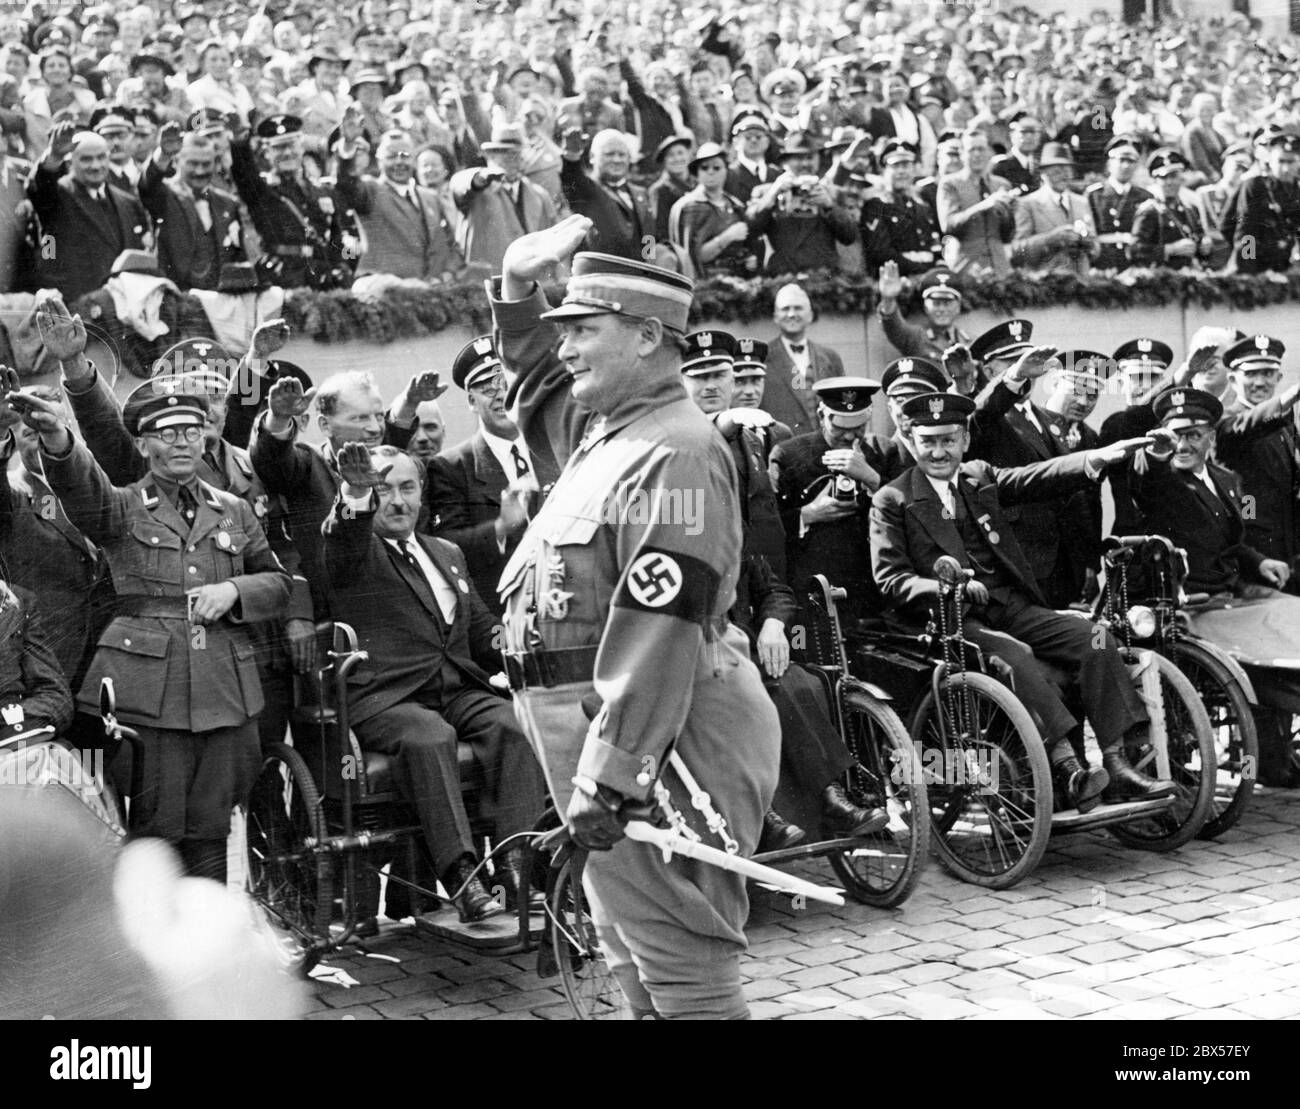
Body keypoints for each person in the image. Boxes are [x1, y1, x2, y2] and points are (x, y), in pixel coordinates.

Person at [491, 218, 780, 1020]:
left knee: (685, 970)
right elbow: (538, 390)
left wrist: (613, 775)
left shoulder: (676, 450)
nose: (568, 348)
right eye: (564, 331)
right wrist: (516, 286)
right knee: (633, 958)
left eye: (585, 329)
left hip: (662, 742)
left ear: (649, 335)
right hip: (602, 735)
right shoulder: (608, 430)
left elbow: (663, 624)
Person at [15, 374, 291, 883]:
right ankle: (154, 949)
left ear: (205, 437)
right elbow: (81, 486)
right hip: (146, 696)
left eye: (191, 430)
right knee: (154, 828)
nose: (181, 441)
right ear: (142, 445)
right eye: (166, 433)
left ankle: (206, 943)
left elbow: (278, 581)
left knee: (211, 825)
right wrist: (58, 438)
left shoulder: (233, 512)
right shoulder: (120, 507)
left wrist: (235, 593)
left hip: (224, 690)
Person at [869, 390, 1172, 811]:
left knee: (1095, 636)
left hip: (1011, 605)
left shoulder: (979, 477)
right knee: (1016, 654)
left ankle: (1117, 763)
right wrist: (946, 588)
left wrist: (1099, 457)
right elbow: (891, 579)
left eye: (948, 440)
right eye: (928, 441)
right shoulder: (893, 499)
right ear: (911, 439)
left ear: (965, 440)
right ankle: (1068, 769)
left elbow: (1037, 476)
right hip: (952, 621)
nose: (939, 451)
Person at [679, 331, 886, 850]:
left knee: (799, 682)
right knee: (733, 694)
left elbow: (758, 555)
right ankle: (761, 812)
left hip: (750, 608)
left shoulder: (751, 441)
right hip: (689, 629)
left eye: (719, 376)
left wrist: (772, 619)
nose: (711, 385)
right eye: (698, 376)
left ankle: (833, 800)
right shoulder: (675, 445)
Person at [323, 442, 546, 921]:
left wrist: (520, 638)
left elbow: (480, 626)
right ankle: (463, 878)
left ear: (422, 493)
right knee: (431, 737)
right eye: (384, 491)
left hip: (456, 688)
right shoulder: (357, 551)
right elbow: (342, 538)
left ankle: (513, 863)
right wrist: (356, 494)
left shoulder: (446, 552)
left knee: (516, 723)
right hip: (390, 698)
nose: (397, 501)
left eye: (407, 488)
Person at [1126, 385, 1300, 786]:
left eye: (1193, 435)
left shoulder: (1226, 479)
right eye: (1175, 434)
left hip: (1230, 596)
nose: (1183, 444)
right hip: (1190, 607)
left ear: (1211, 437)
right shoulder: (1162, 480)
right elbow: (1144, 477)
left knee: (1289, 610)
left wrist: (1260, 560)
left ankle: (1274, 752)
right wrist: (1157, 451)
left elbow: (1233, 541)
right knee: (1263, 647)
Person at [771, 377, 904, 623]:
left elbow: (909, 514)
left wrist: (872, 479)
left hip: (870, 592)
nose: (849, 435)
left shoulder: (884, 451)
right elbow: (769, 527)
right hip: (813, 590)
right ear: (822, 415)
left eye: (858, 426)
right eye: (840, 426)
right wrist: (807, 514)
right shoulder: (789, 455)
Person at [425, 337, 533, 619]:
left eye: (507, 385)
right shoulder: (451, 466)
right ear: (472, 401)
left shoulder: (551, 450)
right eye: (488, 390)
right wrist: (500, 528)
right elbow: (445, 545)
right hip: (500, 615)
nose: (501, 396)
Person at [230, 113, 356, 290]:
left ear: (302, 147)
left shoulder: (322, 191)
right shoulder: (262, 191)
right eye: (279, 148)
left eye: (291, 145)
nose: (287, 153)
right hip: (284, 278)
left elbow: (339, 237)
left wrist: (343, 266)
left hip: (323, 277)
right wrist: (239, 144)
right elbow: (243, 173)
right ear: (267, 153)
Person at [28, 121, 150, 302]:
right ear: (69, 163)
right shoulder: (58, 196)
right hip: (81, 307)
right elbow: (40, 186)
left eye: (101, 157)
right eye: (86, 159)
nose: (95, 165)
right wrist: (54, 155)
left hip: (123, 307)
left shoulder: (128, 202)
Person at [334, 122, 465, 289]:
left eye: (404, 156)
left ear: (414, 160)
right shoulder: (371, 190)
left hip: (426, 293)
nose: (399, 162)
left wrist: (447, 274)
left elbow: (451, 245)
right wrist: (348, 148)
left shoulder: (429, 197)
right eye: (391, 157)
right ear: (379, 161)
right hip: (384, 290)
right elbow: (348, 183)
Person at [1213, 336, 1300, 584]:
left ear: (1278, 378)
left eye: (1268, 373)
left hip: (1287, 547)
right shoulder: (1226, 421)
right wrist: (1291, 396)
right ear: (1232, 379)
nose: (1260, 382)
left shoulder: (1283, 423)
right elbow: (1248, 424)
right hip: (1251, 553)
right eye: (1251, 374)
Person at [139, 122, 247, 291]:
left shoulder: (228, 203)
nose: (199, 171)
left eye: (206, 164)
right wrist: (163, 155)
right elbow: (147, 185)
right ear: (177, 161)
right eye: (193, 163)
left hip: (219, 304)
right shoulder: (165, 195)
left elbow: (239, 258)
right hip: (176, 301)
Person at [450, 121, 557, 274]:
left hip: (528, 282)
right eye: (503, 153)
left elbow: (550, 241)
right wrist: (479, 178)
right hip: (487, 280)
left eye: (516, 153)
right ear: (489, 156)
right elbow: (460, 185)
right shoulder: (480, 188)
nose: (511, 159)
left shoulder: (539, 195)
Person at [746, 132, 857, 275]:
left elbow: (849, 236)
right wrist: (772, 194)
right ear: (785, 163)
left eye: (810, 158)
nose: (805, 164)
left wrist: (829, 206)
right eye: (798, 159)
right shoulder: (765, 193)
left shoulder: (830, 192)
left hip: (823, 278)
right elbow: (750, 230)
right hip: (783, 277)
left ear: (818, 160)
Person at [758, 282, 846, 438]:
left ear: (810, 315)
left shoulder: (831, 358)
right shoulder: (762, 358)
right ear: (775, 317)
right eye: (785, 309)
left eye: (798, 308)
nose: (792, 314)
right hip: (783, 450)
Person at [560, 127, 659, 263]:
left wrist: (651, 268)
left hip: (638, 278)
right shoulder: (586, 189)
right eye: (609, 154)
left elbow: (649, 235)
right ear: (592, 157)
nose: (617, 160)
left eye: (622, 154)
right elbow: (571, 175)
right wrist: (572, 154)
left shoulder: (640, 193)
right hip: (600, 277)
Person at [1010, 143, 1099, 276]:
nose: (1063, 176)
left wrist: (1087, 243)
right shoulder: (1028, 204)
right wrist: (1052, 239)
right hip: (1047, 285)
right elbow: (1018, 251)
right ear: (1043, 174)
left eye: (1067, 171)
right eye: (1057, 171)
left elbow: (1096, 249)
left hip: (1081, 283)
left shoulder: (1081, 202)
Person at [669, 140, 754, 277]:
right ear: (697, 173)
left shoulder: (735, 205)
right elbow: (691, 255)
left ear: (726, 170)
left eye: (716, 167)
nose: (710, 172)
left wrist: (749, 259)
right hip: (706, 284)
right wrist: (727, 237)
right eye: (704, 168)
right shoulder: (690, 206)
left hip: (737, 281)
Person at [937, 128, 1016, 276]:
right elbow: (949, 225)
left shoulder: (1002, 185)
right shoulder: (950, 183)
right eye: (971, 150)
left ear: (989, 152)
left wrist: (1006, 213)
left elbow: (1008, 235)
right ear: (962, 154)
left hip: (999, 267)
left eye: (981, 149)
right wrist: (983, 206)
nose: (977, 154)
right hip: (967, 267)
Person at [1222, 130, 1300, 275]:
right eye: (1281, 161)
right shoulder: (1255, 186)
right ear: (1270, 160)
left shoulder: (1297, 189)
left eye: (1291, 162)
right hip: (1257, 266)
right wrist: (1248, 269)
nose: (1286, 168)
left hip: (1286, 266)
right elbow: (1246, 233)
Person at [860, 138, 941, 276]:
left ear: (914, 169)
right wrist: (921, 271)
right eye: (895, 166)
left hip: (927, 276)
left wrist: (938, 266)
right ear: (884, 170)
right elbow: (880, 252)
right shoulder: (877, 206)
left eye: (906, 166)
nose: (901, 172)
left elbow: (935, 244)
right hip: (897, 278)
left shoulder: (923, 205)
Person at [1130, 149, 1211, 270]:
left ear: (1181, 178)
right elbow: (1135, 250)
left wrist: (1204, 245)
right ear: (1156, 180)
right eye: (1163, 178)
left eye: (1173, 176)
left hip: (1190, 275)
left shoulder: (1190, 209)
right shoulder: (1150, 211)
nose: (1169, 182)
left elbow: (1199, 237)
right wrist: (1169, 249)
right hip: (1161, 279)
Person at [1086, 134, 1152, 271]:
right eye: (1121, 160)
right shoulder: (1093, 195)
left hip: (1135, 265)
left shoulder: (1145, 197)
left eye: (1131, 161)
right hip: (1102, 264)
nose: (1126, 166)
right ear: (1110, 163)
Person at [648, 133, 693, 244]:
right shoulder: (659, 190)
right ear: (664, 161)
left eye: (680, 153)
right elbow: (655, 230)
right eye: (671, 155)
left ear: (688, 155)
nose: (677, 158)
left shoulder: (698, 184)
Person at [991, 112, 1044, 194]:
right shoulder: (1000, 166)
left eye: (1033, 132)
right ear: (1012, 134)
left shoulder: (1042, 164)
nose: (1029, 137)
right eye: (1024, 132)